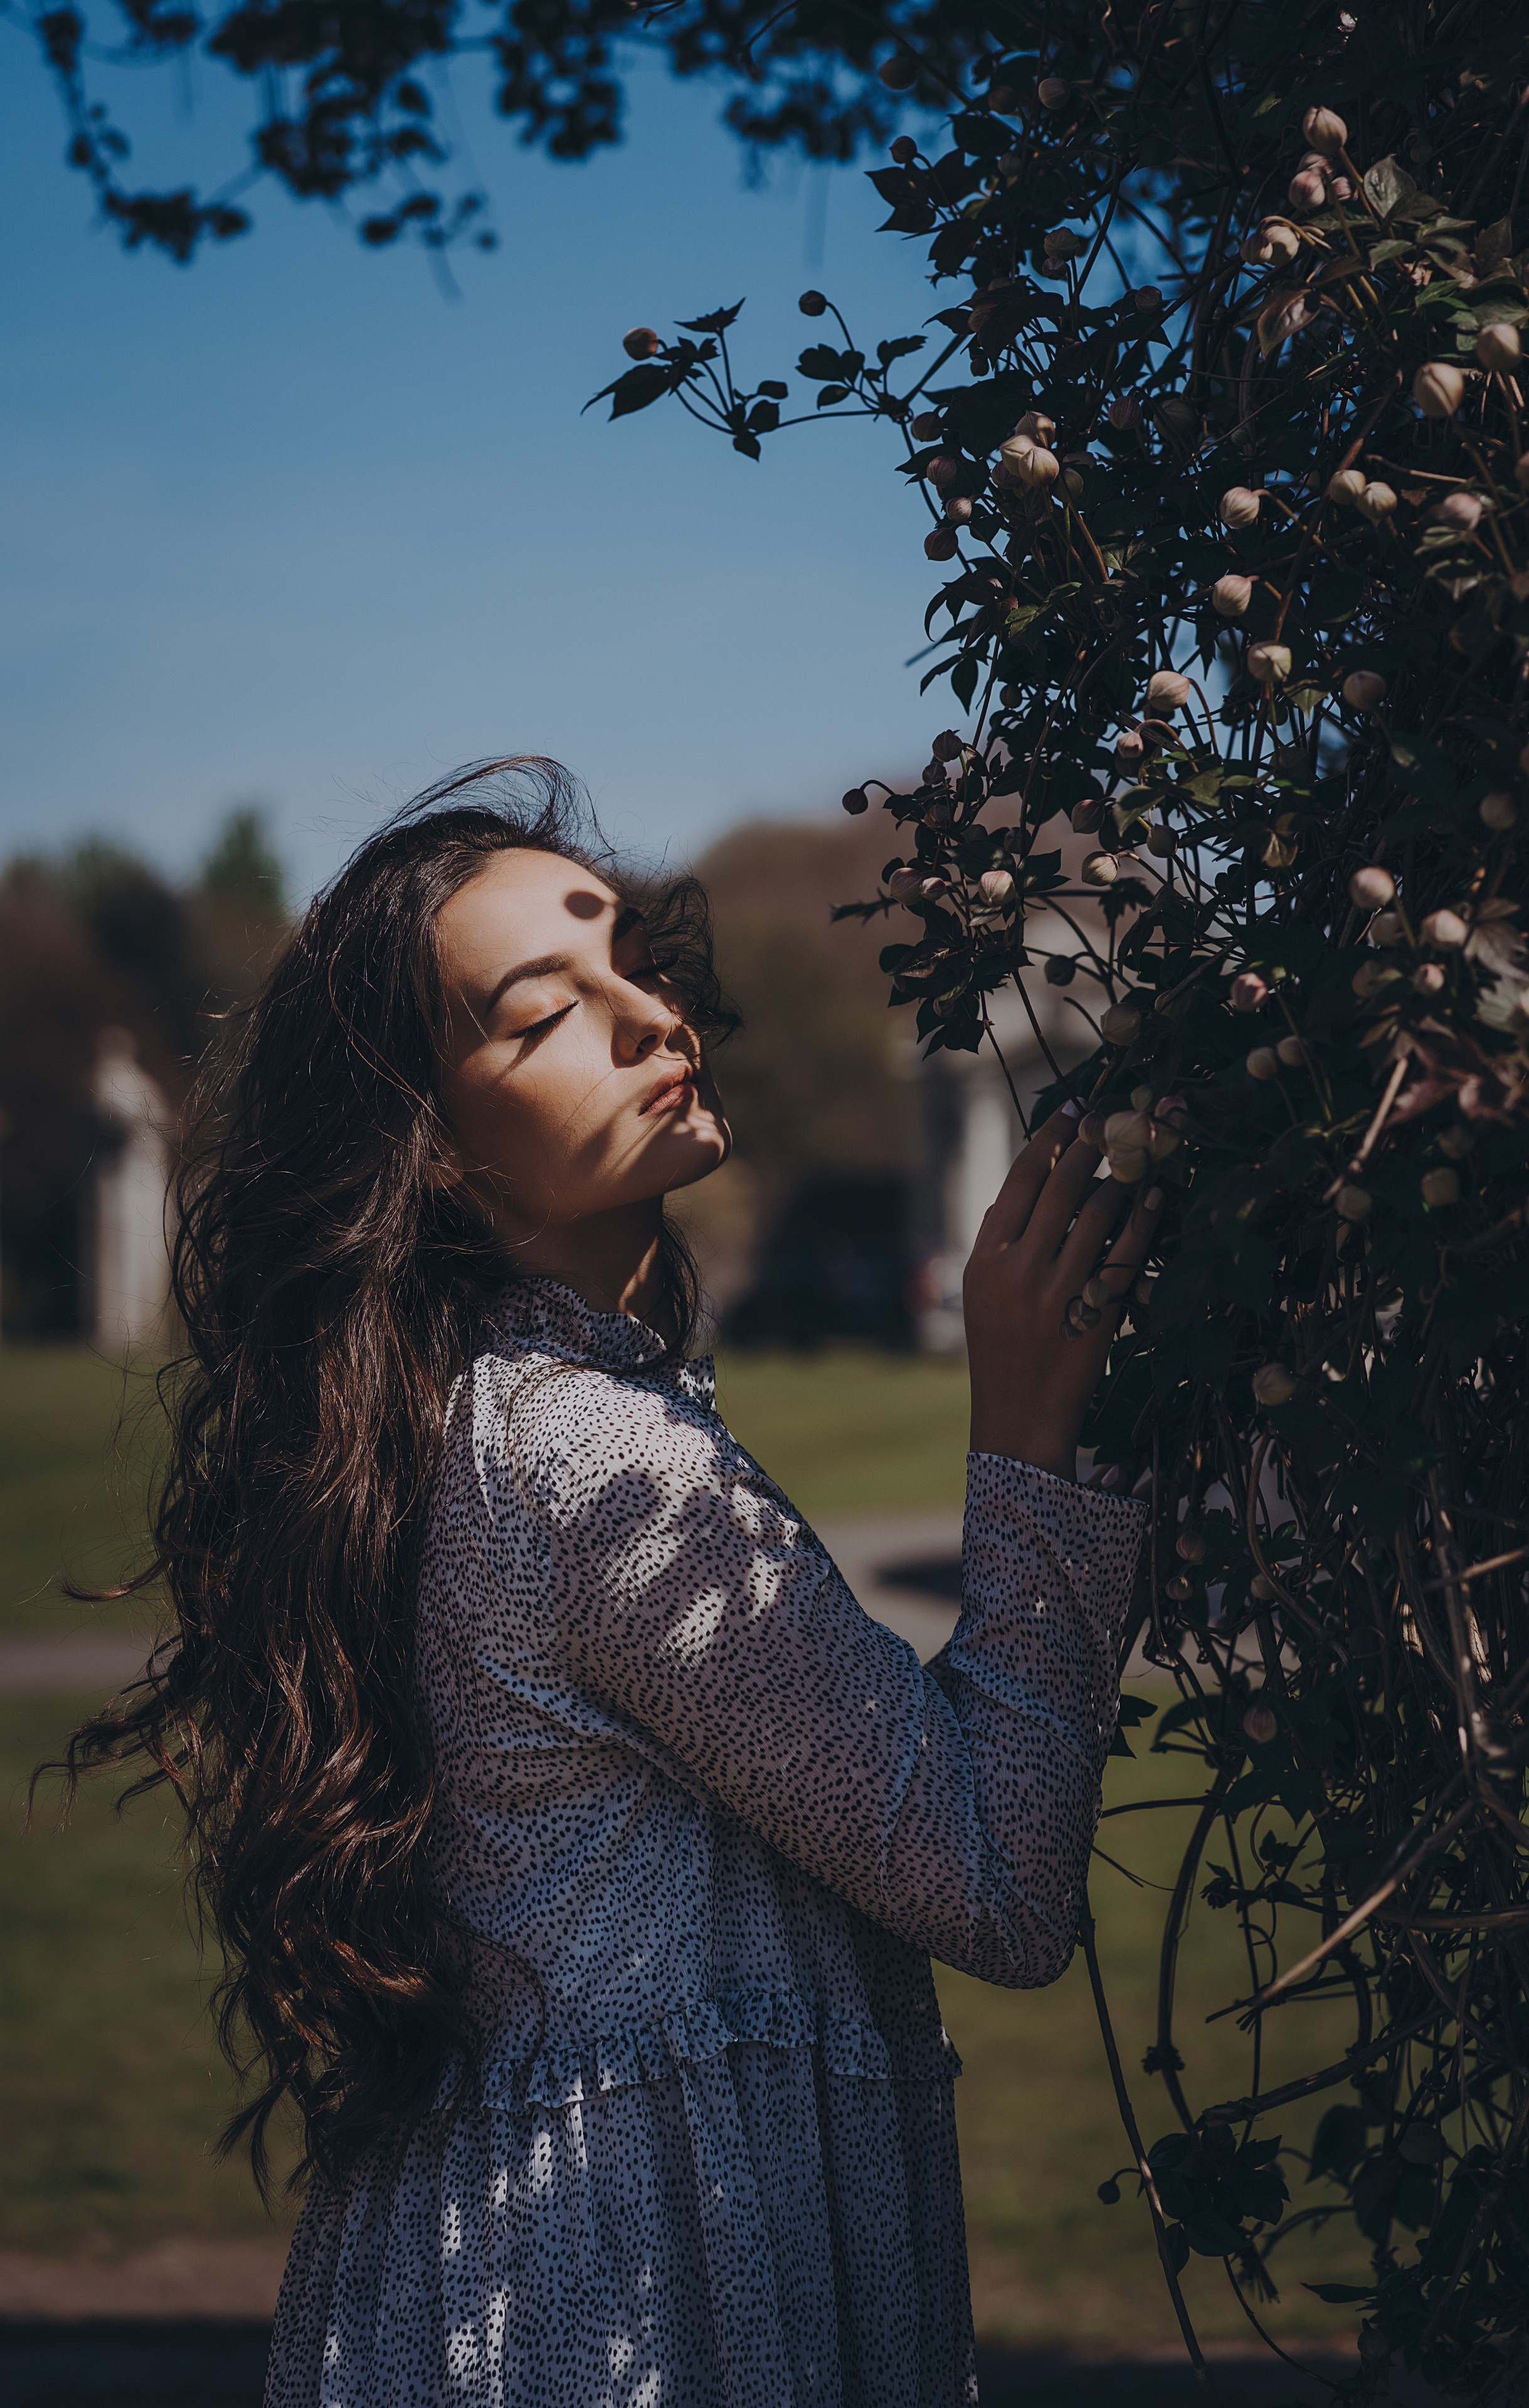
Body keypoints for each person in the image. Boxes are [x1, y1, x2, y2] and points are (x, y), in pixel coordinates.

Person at [60, 759, 1161, 2408]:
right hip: (625, 2309)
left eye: (635, 961)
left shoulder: (477, 1420)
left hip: (485, 2287)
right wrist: (1028, 1441)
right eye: (539, 1011)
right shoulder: (588, 1463)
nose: (649, 1016)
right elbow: (993, 1881)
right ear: (428, 1148)